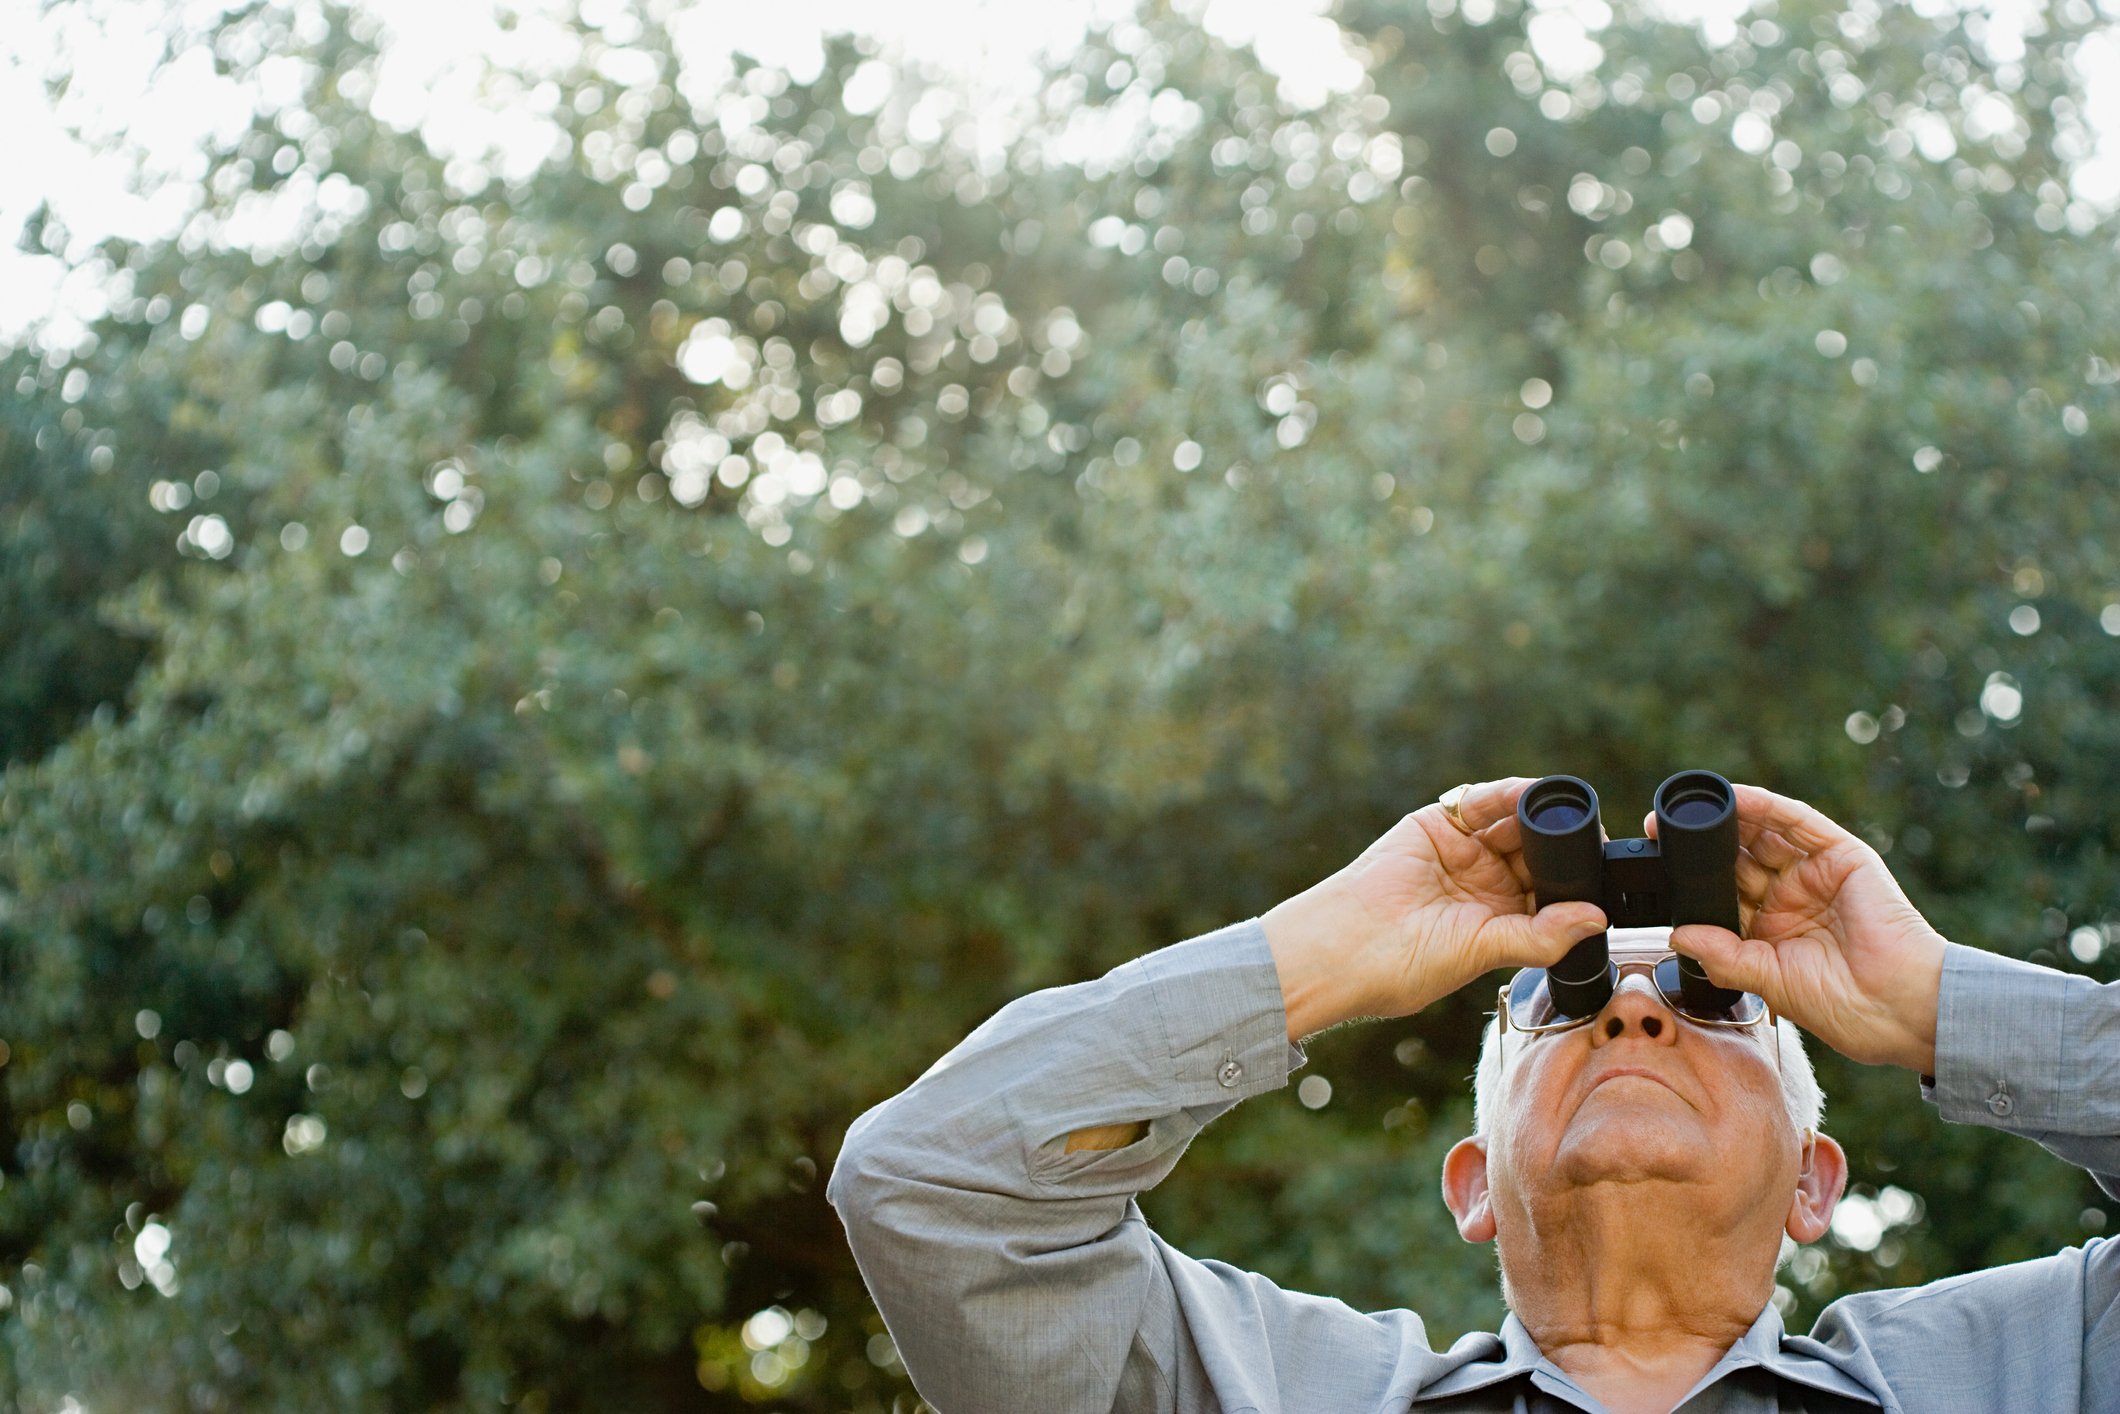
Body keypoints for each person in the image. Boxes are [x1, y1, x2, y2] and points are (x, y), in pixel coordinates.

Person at [828, 777, 2120, 1412]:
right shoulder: (1283, 1393)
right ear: (1472, 1182)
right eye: (1556, 1000)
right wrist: (1319, 951)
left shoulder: (2028, 1371)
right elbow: (930, 1189)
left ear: (1813, 1179)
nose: (1629, 1007)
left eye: (1715, 1001)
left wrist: (1934, 1001)